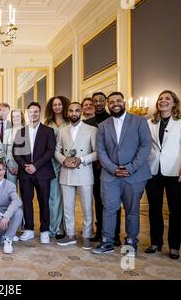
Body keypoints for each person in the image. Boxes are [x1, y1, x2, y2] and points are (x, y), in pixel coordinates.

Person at [92, 92, 151, 256]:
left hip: (135, 175)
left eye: (118, 101)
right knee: (109, 208)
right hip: (110, 175)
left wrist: (131, 167)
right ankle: (107, 242)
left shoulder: (139, 121)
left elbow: (145, 146)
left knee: (132, 210)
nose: (115, 104)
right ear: (108, 105)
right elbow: (100, 150)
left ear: (123, 102)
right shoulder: (103, 125)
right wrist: (112, 168)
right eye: (111, 102)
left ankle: (131, 242)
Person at [145, 90, 181, 259]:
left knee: (175, 209)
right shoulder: (150, 122)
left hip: (176, 171)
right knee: (154, 209)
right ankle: (156, 242)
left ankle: (174, 246)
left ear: (174, 103)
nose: (163, 101)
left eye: (167, 99)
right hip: (153, 171)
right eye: (160, 99)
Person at [55, 103, 97, 250]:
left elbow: (97, 152)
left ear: (81, 112)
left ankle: (86, 235)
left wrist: (82, 159)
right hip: (66, 172)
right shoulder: (62, 131)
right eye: (71, 110)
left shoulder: (92, 130)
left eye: (77, 110)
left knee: (87, 207)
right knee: (67, 206)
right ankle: (70, 234)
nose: (74, 113)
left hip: (84, 172)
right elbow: (56, 150)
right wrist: (63, 160)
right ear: (67, 112)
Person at [13, 102, 56, 244]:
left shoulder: (48, 131)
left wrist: (35, 166)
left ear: (40, 113)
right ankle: (29, 229)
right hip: (25, 173)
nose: (33, 114)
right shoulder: (21, 132)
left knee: (44, 201)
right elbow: (16, 152)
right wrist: (26, 166)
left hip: (42, 172)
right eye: (31, 112)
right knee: (26, 201)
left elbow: (50, 151)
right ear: (27, 114)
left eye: (36, 111)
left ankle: (44, 230)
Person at [84, 92, 122, 245]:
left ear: (106, 102)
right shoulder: (87, 123)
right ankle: (100, 231)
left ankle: (115, 234)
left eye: (101, 100)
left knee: (113, 202)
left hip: (111, 167)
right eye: (95, 101)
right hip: (93, 168)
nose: (98, 103)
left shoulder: (113, 119)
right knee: (98, 201)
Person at [44, 96, 70, 239]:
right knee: (53, 198)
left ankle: (66, 228)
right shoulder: (48, 123)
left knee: (67, 197)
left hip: (68, 163)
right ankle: (54, 228)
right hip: (52, 163)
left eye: (60, 104)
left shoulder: (69, 121)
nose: (57, 107)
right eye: (54, 105)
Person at [3, 109, 25, 185]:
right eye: (13, 116)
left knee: (24, 192)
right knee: (11, 190)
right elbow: (4, 151)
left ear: (22, 117)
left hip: (24, 165)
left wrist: (22, 167)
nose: (15, 118)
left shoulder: (27, 131)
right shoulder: (7, 132)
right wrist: (9, 166)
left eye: (17, 116)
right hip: (11, 164)